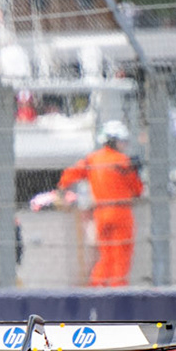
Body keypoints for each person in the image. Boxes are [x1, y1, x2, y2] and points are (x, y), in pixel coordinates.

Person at [45, 121, 144, 288]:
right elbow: (137, 190)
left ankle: (96, 290)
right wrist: (136, 171)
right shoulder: (124, 162)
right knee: (121, 255)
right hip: (121, 213)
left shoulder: (93, 159)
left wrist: (61, 189)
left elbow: (70, 174)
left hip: (100, 213)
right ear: (115, 141)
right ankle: (118, 294)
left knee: (105, 255)